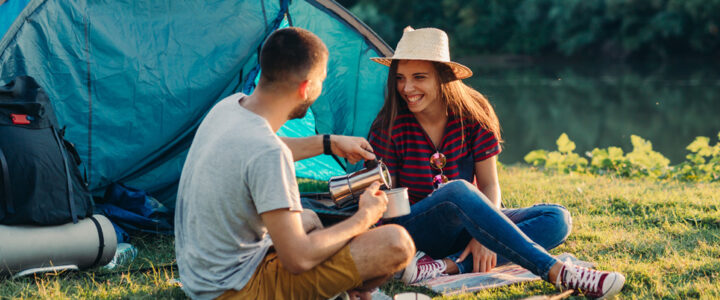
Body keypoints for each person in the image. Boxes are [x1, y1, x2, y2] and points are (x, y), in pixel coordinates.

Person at [367, 27, 625, 298]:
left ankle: (446, 266)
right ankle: (559, 272)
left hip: (466, 226)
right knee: (457, 191)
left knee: (557, 219)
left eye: (419, 77)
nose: (407, 88)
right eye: (400, 78)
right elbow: (388, 209)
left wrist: (483, 237)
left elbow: (490, 184)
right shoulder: (389, 125)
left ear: (443, 77)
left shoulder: (473, 114)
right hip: (414, 232)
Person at [175, 27, 416, 300]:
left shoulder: (229, 108)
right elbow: (298, 259)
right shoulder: (268, 152)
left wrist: (329, 143)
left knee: (310, 218)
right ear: (305, 88)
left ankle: (342, 290)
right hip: (235, 291)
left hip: (200, 276)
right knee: (397, 244)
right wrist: (365, 218)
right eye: (321, 80)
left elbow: (258, 152)